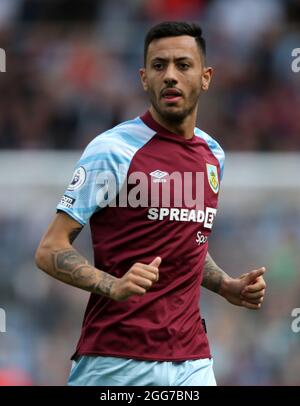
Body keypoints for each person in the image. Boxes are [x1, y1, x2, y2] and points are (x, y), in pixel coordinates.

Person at [35, 21, 267, 386]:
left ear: (206, 77)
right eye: (159, 66)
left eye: (183, 65)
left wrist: (225, 286)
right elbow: (49, 250)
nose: (170, 76)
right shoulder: (113, 150)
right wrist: (112, 285)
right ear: (144, 78)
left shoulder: (213, 156)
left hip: (193, 362)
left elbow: (184, 241)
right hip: (116, 363)